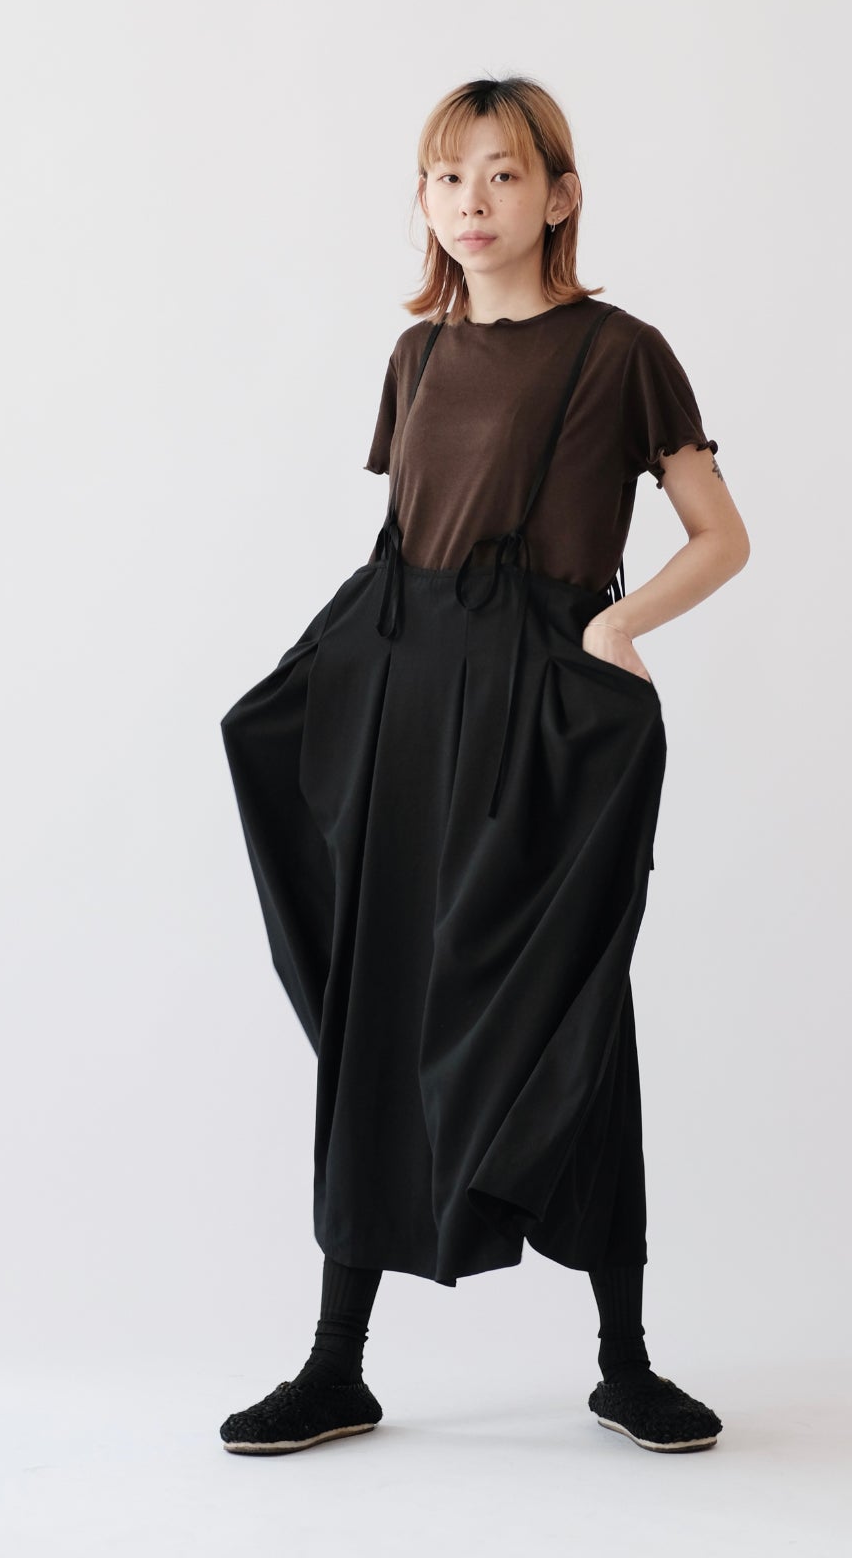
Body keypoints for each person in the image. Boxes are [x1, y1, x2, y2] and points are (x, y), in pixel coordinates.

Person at [218, 76, 751, 1456]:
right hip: (404, 694)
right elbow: (407, 548)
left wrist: (616, 628)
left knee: (570, 999)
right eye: (448, 176)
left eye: (505, 174)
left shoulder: (622, 352)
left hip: (541, 701)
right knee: (382, 995)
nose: (473, 201)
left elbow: (721, 535)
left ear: (559, 197)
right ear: (424, 198)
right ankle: (336, 1364)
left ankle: (626, 1363)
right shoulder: (416, 359)